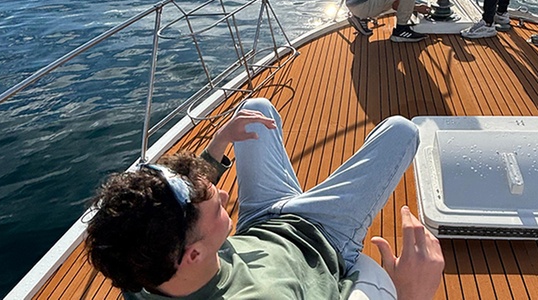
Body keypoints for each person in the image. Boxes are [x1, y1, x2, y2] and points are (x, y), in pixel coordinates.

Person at [86, 97, 444, 300]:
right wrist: (408, 293)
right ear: (193, 254)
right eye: (217, 205)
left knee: (256, 110)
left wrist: (219, 143)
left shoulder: (140, 271)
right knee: (403, 131)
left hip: (260, 223)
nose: (225, 193)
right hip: (325, 238)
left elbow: (179, 207)